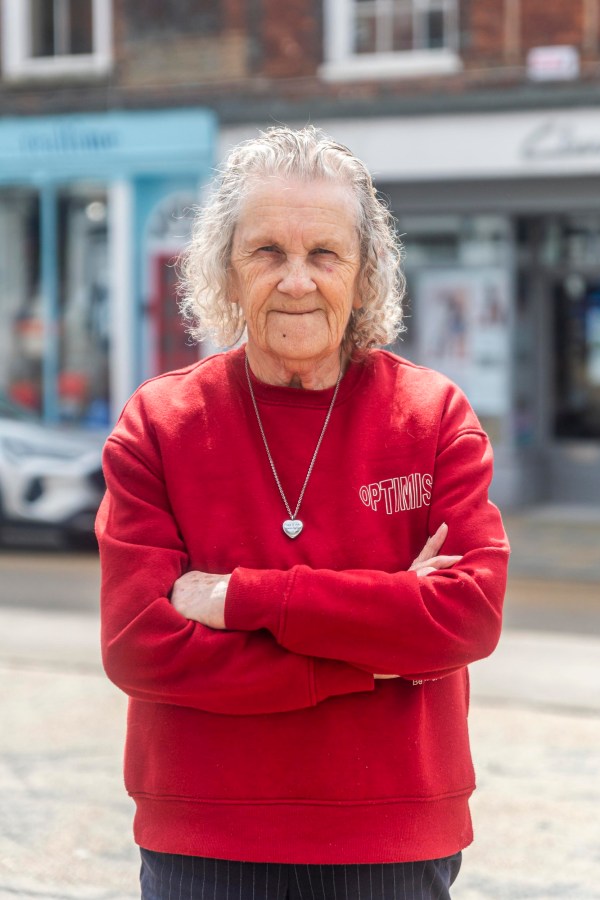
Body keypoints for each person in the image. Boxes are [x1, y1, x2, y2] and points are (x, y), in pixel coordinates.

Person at [96, 125, 509, 900]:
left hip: (391, 836)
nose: (296, 281)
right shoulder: (158, 424)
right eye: (266, 253)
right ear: (225, 268)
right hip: (205, 835)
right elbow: (138, 646)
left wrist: (242, 599)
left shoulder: (434, 416)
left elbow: (466, 618)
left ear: (364, 273)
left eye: (324, 254)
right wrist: (372, 644)